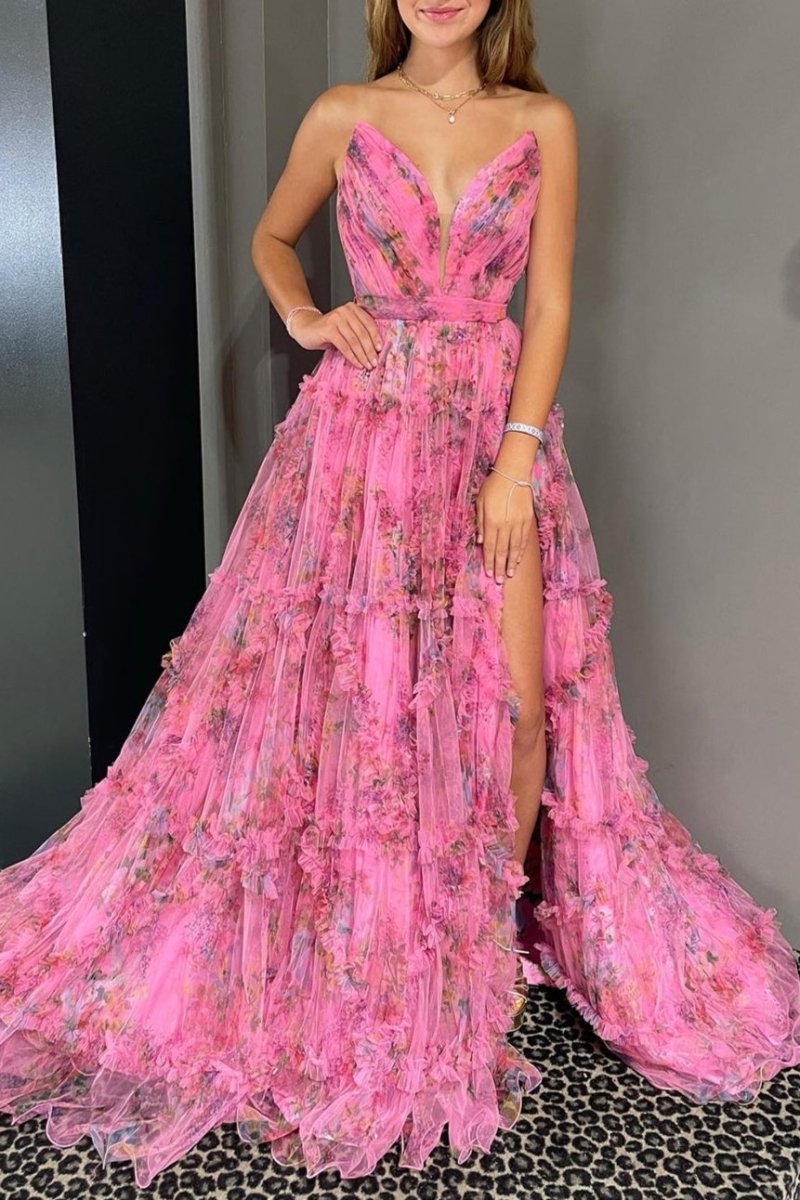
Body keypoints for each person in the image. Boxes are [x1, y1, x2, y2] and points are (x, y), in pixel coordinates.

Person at [1, 0, 799, 1188]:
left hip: (490, 438)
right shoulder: (343, 111)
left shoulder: (541, 123)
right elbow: (274, 239)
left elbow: (548, 303)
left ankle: (475, 939)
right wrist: (307, 314)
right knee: (359, 700)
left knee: (515, 705)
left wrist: (515, 460)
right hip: (359, 444)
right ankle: (386, 940)